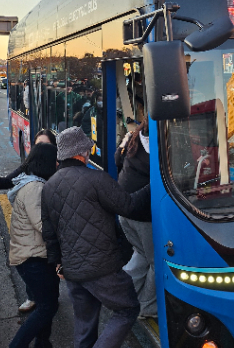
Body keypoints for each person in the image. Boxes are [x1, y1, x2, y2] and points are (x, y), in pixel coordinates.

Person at [41, 127, 150, 348]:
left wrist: (58, 264)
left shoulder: (49, 186)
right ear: (81, 153)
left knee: (84, 325)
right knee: (128, 308)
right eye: (88, 148)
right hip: (102, 268)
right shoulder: (96, 178)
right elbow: (127, 206)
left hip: (72, 270)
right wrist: (154, 185)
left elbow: (49, 232)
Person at [7, 142, 60, 348]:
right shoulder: (35, 188)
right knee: (47, 306)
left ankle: (43, 343)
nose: (57, 164)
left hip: (36, 255)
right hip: (32, 258)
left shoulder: (31, 183)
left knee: (50, 301)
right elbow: (43, 225)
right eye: (55, 160)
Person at [116, 119, 155, 318]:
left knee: (141, 254)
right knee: (157, 262)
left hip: (124, 211)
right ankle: (148, 307)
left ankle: (121, 294)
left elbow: (117, 160)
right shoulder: (158, 147)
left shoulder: (132, 138)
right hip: (143, 215)